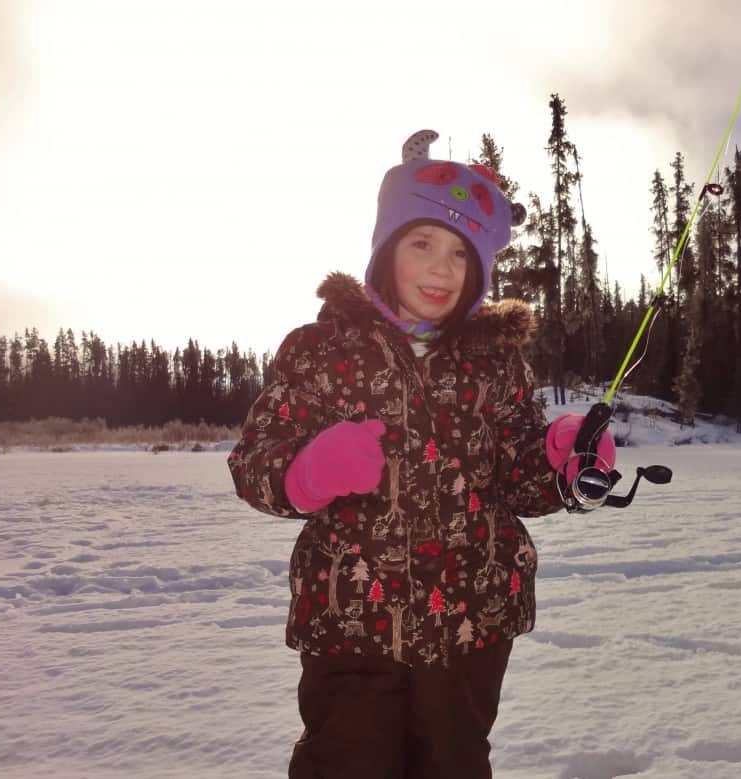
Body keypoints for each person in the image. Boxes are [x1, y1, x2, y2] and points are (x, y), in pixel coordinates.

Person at [227, 129, 615, 779]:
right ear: (386, 247)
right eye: (423, 244)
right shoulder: (322, 349)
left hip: (472, 621)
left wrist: (561, 461)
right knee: (345, 763)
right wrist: (305, 471)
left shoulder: (496, 361)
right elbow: (253, 459)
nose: (441, 268)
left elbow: (519, 479)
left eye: (461, 254)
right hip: (350, 619)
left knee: (453, 763)